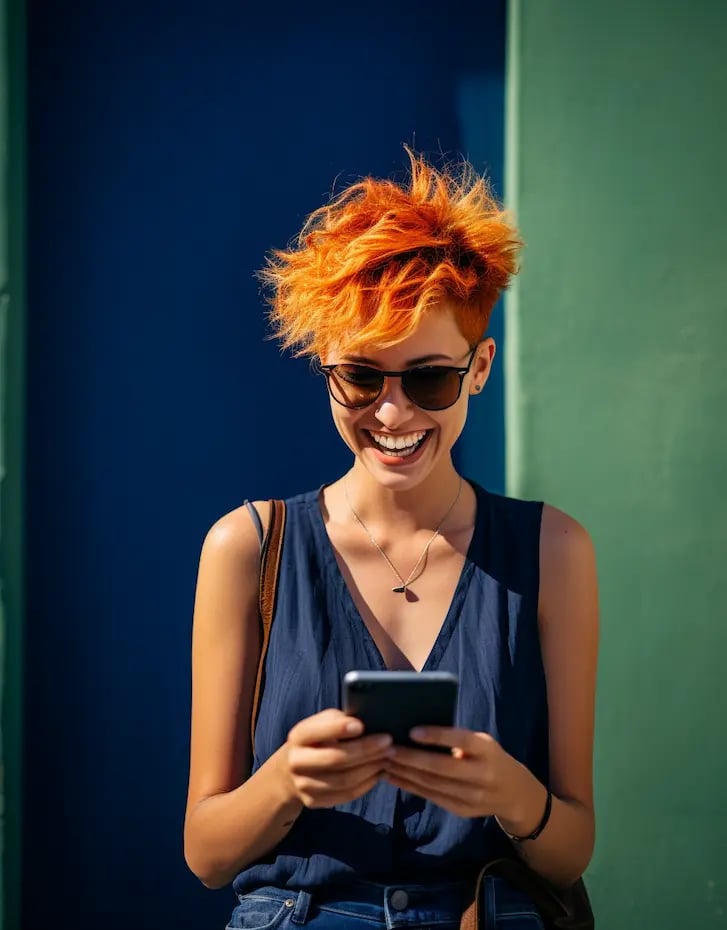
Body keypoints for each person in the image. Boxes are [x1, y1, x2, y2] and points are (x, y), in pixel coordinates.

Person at [184, 148, 599, 930]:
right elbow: (206, 855)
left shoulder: (554, 552)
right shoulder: (247, 548)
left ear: (480, 368)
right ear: (325, 370)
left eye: (429, 378)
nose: (392, 413)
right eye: (362, 377)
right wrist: (286, 782)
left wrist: (511, 794)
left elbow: (570, 850)